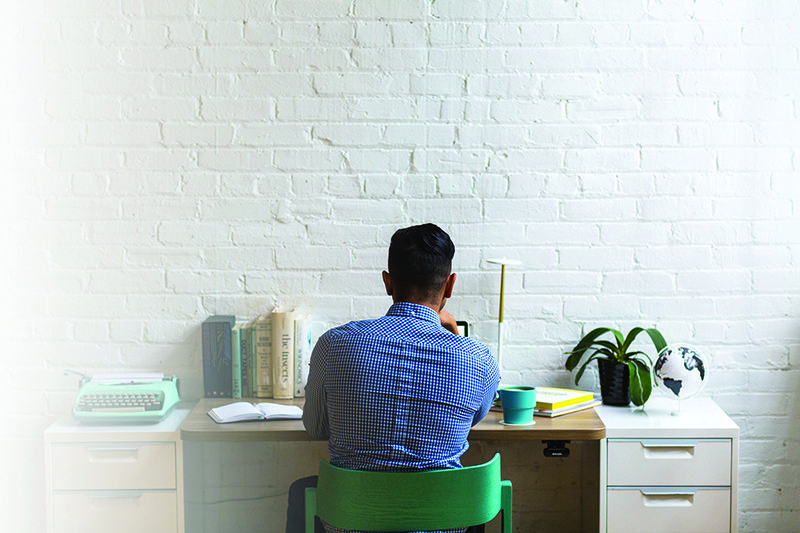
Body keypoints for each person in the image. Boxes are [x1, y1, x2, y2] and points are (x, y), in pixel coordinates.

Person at [286, 223, 501, 533]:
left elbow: (316, 427)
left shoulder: (335, 344)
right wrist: (455, 337)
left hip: (352, 521)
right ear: (450, 286)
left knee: (302, 489)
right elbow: (473, 419)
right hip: (441, 520)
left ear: (388, 282)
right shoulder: (478, 360)